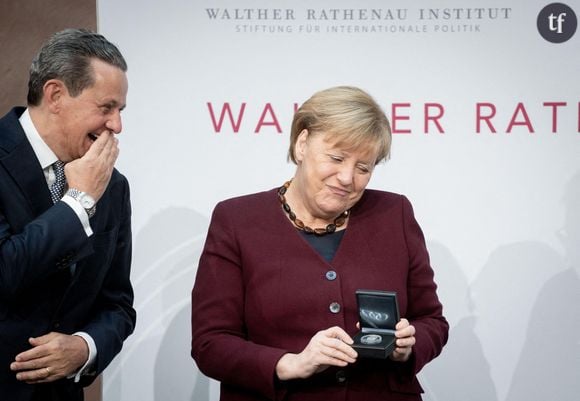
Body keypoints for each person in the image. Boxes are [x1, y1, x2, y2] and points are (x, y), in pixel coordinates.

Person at [191, 86, 448, 400]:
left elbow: (432, 321)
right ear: (302, 144)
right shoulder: (236, 220)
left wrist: (409, 345)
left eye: (363, 168)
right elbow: (210, 343)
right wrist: (291, 364)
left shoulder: (395, 214)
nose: (347, 177)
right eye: (336, 158)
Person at [0, 29, 136, 401]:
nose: (117, 125)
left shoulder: (114, 185)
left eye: (120, 111)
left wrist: (85, 347)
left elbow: (118, 303)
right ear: (56, 95)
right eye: (106, 107)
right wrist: (77, 203)